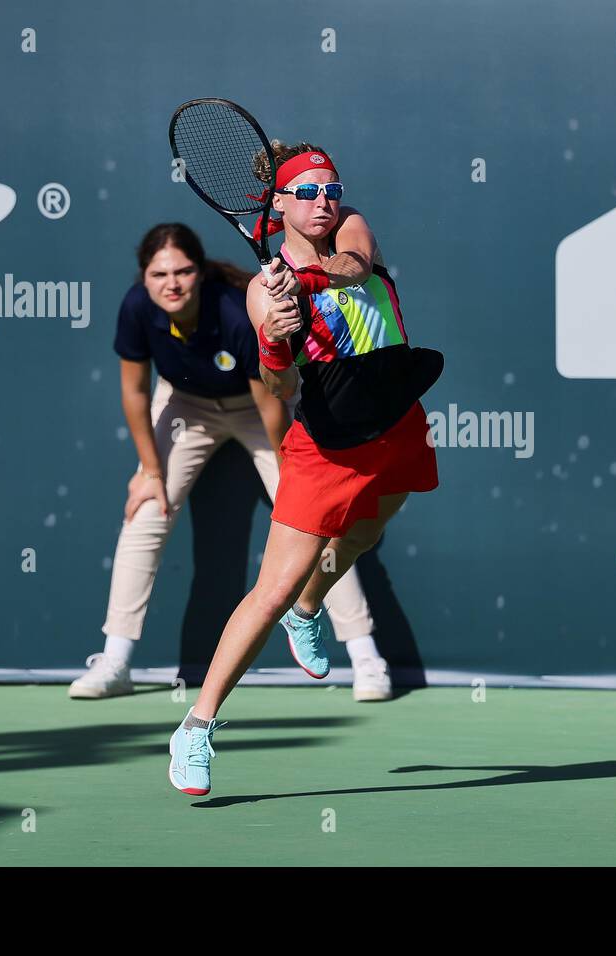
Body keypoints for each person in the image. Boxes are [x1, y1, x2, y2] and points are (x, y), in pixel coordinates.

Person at [167, 142, 443, 795]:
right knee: (272, 589)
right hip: (329, 439)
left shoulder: (350, 229)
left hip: (397, 417)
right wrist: (275, 332)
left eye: (332, 189)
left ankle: (312, 608)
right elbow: (278, 379)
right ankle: (196, 728)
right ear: (280, 204)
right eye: (310, 193)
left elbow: (353, 266)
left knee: (369, 531)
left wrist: (311, 283)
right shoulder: (266, 288)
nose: (326, 202)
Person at [71, 223, 394, 704]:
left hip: (260, 409)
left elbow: (270, 401)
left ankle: (365, 655)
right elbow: (136, 391)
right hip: (186, 407)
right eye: (160, 274)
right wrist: (150, 471)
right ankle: (115, 660)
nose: (172, 283)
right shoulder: (137, 307)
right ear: (145, 278)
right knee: (145, 513)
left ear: (200, 273)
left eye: (183, 271)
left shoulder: (235, 312)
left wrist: (295, 475)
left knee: (314, 524)